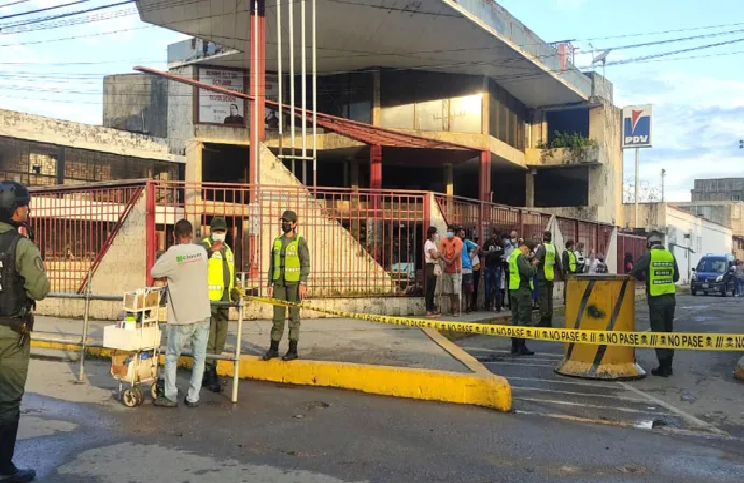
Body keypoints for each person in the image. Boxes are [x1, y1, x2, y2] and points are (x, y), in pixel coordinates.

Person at [0, 181, 50, 482]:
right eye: (24, 204)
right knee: (7, 401)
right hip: (10, 334)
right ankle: (4, 469)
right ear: (14, 210)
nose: (27, 209)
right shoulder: (21, 245)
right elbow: (40, 290)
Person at [151, 219, 211, 408]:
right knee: (199, 358)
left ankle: (170, 395)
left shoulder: (172, 254)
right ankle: (193, 397)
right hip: (203, 313)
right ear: (191, 233)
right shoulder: (201, 252)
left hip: (181, 316)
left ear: (174, 235)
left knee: (171, 357)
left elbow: (154, 272)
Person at [630, 233, 680, 377]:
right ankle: (669, 366)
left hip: (657, 299)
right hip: (670, 299)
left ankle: (663, 367)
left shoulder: (649, 256)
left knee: (658, 332)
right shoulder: (670, 256)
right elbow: (676, 277)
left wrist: (645, 276)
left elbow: (634, 272)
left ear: (649, 244)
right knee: (668, 331)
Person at [263, 211, 310, 361]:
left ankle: (292, 350)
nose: (284, 224)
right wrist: (269, 283)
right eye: (283, 221)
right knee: (277, 318)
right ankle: (274, 348)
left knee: (293, 318)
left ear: (294, 224)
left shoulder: (300, 242)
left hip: (294, 285)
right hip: (278, 285)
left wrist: (303, 283)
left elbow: (305, 263)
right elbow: (272, 264)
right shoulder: (277, 242)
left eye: (287, 222)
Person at [199, 217, 238, 393]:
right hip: (209, 299)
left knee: (220, 338)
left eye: (222, 231)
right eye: (217, 231)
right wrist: (210, 250)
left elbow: (231, 273)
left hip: (224, 299)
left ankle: (209, 370)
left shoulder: (228, 250)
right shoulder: (203, 245)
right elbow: (195, 261)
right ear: (211, 231)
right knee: (209, 337)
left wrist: (235, 293)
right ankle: (209, 371)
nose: (219, 234)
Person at [508, 239, 537, 356]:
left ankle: (514, 345)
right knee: (523, 318)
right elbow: (528, 272)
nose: (528, 254)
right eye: (528, 251)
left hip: (514, 289)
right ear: (525, 248)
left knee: (515, 318)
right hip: (522, 290)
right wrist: (534, 266)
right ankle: (521, 346)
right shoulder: (520, 257)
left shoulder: (513, 254)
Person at [536, 231, 561, 328]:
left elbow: (536, 261)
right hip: (550, 276)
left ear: (544, 237)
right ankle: (549, 320)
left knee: (543, 299)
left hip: (542, 276)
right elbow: (558, 262)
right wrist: (562, 276)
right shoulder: (553, 248)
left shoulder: (542, 248)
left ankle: (544, 319)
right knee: (549, 299)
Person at [439, 226, 463, 316]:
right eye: (448, 231)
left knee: (456, 290)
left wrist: (450, 261)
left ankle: (456, 309)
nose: (449, 233)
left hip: (456, 268)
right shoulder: (443, 241)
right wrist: (446, 262)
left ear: (454, 233)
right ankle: (452, 307)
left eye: (450, 232)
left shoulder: (458, 241)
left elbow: (457, 253)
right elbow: (440, 253)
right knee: (450, 290)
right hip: (447, 269)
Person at [482, 228, 505, 312]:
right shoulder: (487, 242)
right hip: (488, 266)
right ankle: (487, 306)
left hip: (497, 267)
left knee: (497, 287)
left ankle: (497, 306)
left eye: (495, 234)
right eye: (493, 233)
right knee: (487, 288)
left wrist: (492, 253)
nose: (494, 235)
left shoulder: (501, 243)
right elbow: (483, 253)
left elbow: (502, 254)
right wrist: (490, 253)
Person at [457, 228, 477, 314]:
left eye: (463, 234)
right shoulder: (455, 242)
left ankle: (467, 306)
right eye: (461, 234)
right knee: (459, 288)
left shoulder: (466, 242)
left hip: (467, 267)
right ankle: (459, 307)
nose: (462, 235)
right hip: (458, 266)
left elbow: (477, 246)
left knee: (468, 288)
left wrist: (472, 256)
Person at [423, 226, 441, 316]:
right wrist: (440, 253)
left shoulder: (433, 243)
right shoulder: (428, 243)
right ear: (432, 234)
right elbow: (434, 255)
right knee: (430, 288)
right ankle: (428, 309)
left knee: (433, 288)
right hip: (430, 266)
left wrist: (439, 253)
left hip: (434, 266)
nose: (437, 235)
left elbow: (436, 254)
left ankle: (431, 307)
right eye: (436, 233)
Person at [562, 240, 577, 305]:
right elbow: (565, 263)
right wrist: (567, 271)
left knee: (572, 287)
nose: (573, 247)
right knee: (567, 287)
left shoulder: (572, 253)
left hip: (573, 272)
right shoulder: (565, 253)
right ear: (570, 246)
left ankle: (571, 299)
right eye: (572, 245)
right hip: (568, 273)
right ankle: (565, 300)